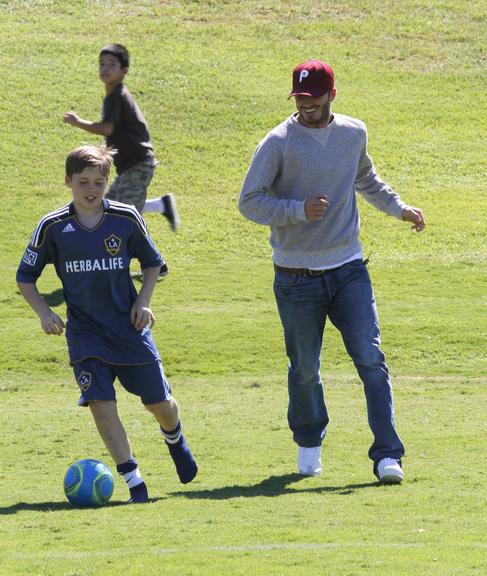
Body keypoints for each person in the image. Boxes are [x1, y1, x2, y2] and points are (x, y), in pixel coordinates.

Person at [239, 59, 425, 484]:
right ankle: (309, 443)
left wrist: (400, 209)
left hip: (348, 270)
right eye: (299, 98)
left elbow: (367, 179)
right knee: (304, 368)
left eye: (313, 98)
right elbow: (249, 201)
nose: (305, 105)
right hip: (295, 276)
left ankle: (387, 456)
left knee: (371, 359)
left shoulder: (353, 133)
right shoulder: (278, 143)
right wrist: (296, 211)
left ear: (331, 96)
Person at [16, 145, 197, 503]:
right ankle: (135, 484)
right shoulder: (52, 227)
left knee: (160, 405)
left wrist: (144, 303)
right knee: (101, 403)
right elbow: (25, 277)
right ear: (68, 181)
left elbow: (153, 265)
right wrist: (45, 313)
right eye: (83, 182)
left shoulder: (126, 218)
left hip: (129, 330)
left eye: (99, 182)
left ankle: (174, 437)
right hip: (85, 336)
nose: (91, 190)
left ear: (107, 182)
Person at [63, 43, 179, 237]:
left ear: (124, 71)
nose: (105, 68)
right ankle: (161, 205)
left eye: (111, 64)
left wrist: (77, 122)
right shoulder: (115, 95)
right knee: (109, 205)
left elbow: (107, 128)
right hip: (133, 164)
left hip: (138, 163)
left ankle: (146, 259)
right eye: (102, 64)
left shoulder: (116, 95)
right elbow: (115, 133)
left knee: (125, 215)